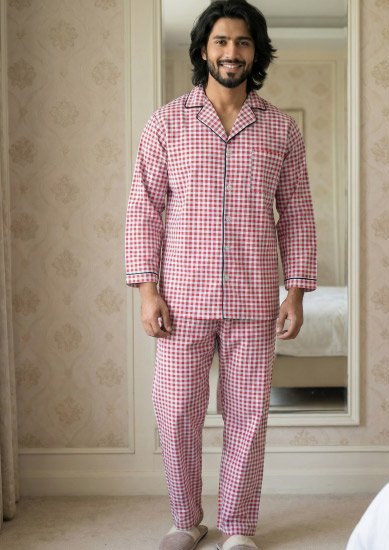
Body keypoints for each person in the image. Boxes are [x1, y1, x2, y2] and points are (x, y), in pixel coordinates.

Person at [125, 1, 317, 548]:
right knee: (175, 413)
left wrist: (296, 293)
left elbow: (297, 214)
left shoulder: (280, 129)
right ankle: (186, 519)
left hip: (254, 300)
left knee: (249, 418)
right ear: (204, 50)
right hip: (182, 300)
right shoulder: (166, 123)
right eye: (221, 41)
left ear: (256, 52)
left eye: (242, 42)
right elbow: (144, 209)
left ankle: (238, 527)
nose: (232, 52)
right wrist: (147, 292)